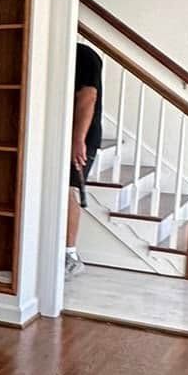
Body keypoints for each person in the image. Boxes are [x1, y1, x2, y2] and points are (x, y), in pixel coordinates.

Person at [65, 39, 104, 277]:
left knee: (66, 191)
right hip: (61, 134)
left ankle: (69, 256)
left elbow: (88, 97)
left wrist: (78, 139)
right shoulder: (54, 53)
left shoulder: (85, 55)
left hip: (82, 136)